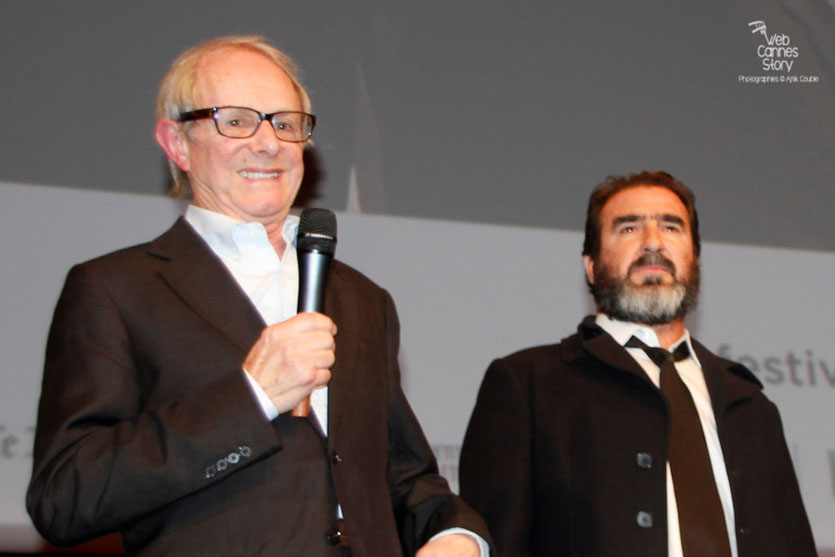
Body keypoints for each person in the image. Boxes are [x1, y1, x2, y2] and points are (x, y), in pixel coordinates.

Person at [26, 35, 491, 557]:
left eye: (285, 123)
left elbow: (403, 476)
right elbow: (65, 496)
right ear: (177, 143)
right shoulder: (116, 290)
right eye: (237, 120)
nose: (268, 142)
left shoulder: (363, 299)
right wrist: (253, 396)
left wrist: (455, 534)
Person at [458, 171, 816, 556]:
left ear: (694, 258)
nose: (652, 243)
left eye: (671, 227)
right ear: (591, 265)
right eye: (628, 229)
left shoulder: (749, 403)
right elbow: (496, 537)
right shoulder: (528, 383)